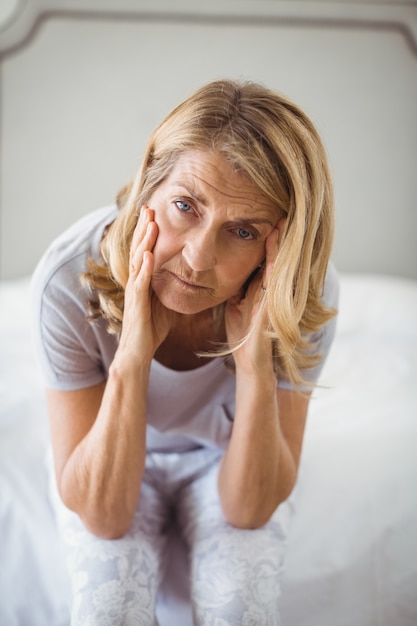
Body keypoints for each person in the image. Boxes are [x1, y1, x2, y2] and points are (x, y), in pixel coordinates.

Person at [32, 78, 338, 625]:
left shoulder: (302, 293)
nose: (197, 259)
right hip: (112, 446)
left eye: (242, 231)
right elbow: (104, 518)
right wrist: (131, 357)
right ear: (148, 184)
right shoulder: (67, 282)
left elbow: (249, 510)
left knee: (240, 605)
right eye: (184, 206)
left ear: (283, 244)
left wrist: (255, 364)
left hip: (225, 455)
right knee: (109, 607)